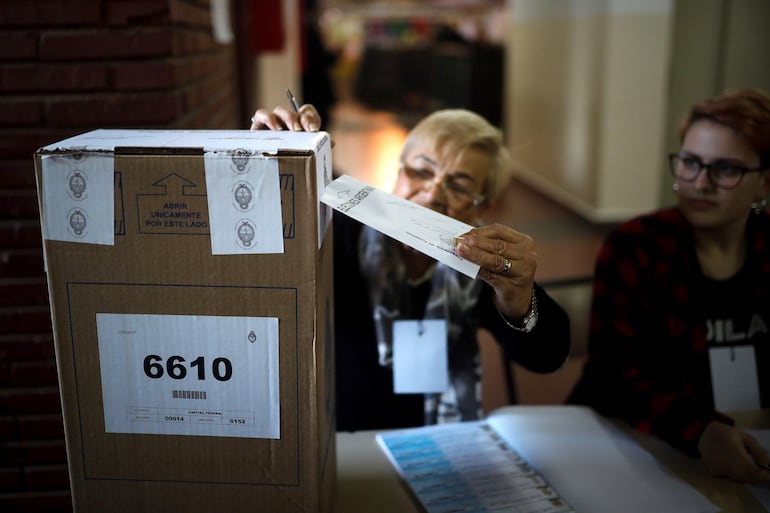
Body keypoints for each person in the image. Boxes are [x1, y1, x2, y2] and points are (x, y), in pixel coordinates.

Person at [251, 104, 570, 431]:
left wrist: (518, 299)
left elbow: (548, 356)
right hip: (340, 430)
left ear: (484, 206)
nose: (433, 193)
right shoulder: (341, 230)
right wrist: (261, 166)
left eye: (459, 186)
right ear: (398, 172)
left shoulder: (484, 266)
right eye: (421, 171)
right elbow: (261, 269)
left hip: (436, 437)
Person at [567, 88, 770, 484]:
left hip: (750, 452)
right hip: (635, 449)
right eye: (690, 162)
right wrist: (701, 431)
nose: (700, 183)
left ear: (763, 183)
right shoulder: (637, 247)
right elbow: (613, 374)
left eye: (726, 169)